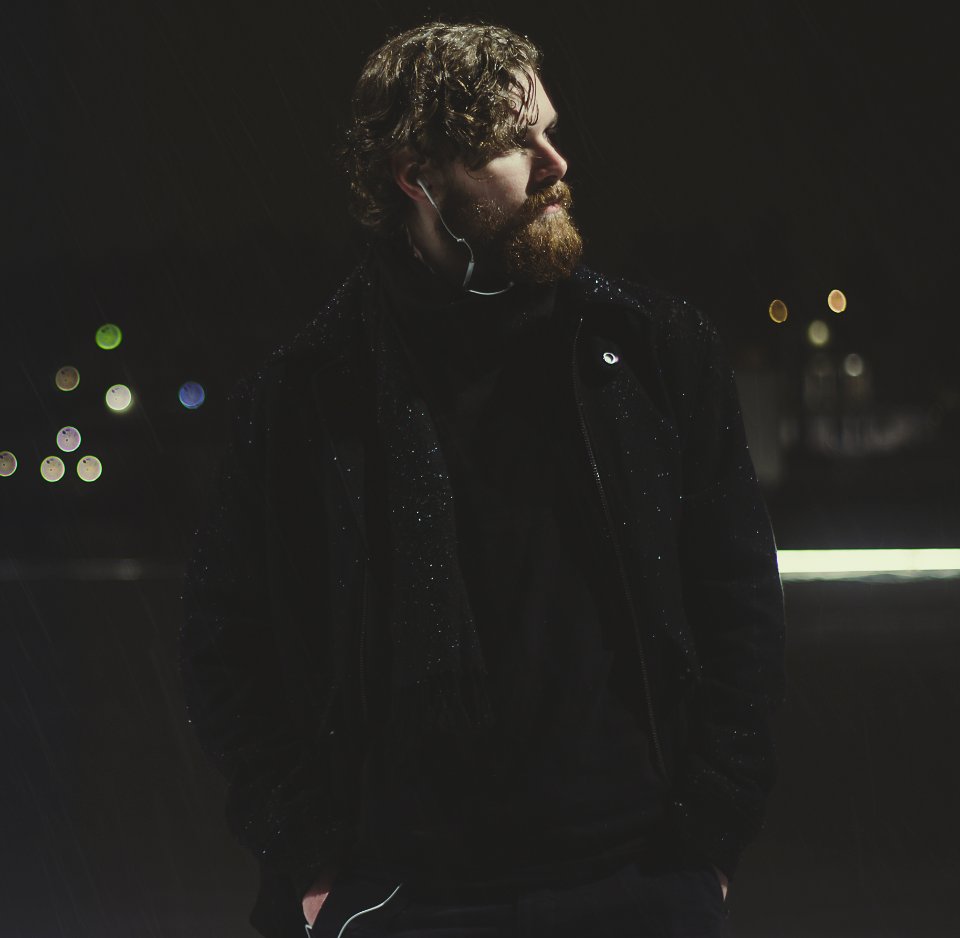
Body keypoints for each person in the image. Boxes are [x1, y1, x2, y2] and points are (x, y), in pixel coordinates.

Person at [179, 21, 786, 938]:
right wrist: (309, 859)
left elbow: (738, 600)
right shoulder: (308, 395)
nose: (556, 162)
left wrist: (707, 843)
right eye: (512, 143)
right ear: (415, 177)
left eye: (548, 127)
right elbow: (226, 645)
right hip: (403, 895)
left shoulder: (654, 354)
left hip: (636, 877)